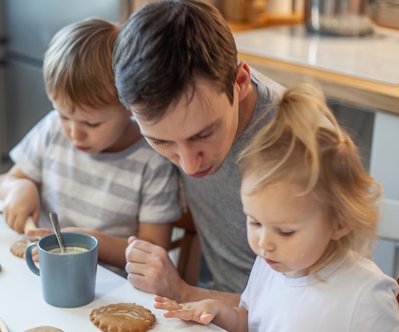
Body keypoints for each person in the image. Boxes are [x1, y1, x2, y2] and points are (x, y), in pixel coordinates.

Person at [154, 83, 399, 332]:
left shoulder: (363, 291)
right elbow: (253, 325)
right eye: (255, 222)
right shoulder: (271, 263)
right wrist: (220, 313)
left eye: (285, 231)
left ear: (339, 223)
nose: (264, 242)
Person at [0, 18, 183, 271]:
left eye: (91, 124)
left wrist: (87, 242)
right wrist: (19, 188)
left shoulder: (153, 160)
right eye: (64, 116)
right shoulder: (52, 130)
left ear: (130, 106)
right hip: (40, 271)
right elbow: (10, 180)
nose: (74, 133)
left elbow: (153, 252)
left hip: (107, 289)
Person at [114, 0, 284, 305]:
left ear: (240, 82)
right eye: (161, 142)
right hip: (215, 307)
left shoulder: (295, 143)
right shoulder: (158, 110)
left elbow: (309, 308)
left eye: (203, 134)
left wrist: (182, 292)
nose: (190, 166)